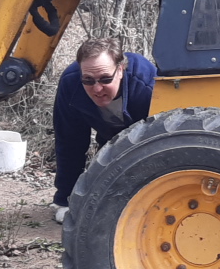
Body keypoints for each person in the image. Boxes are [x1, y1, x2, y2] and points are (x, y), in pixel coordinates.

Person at [51, 37, 154, 223]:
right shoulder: (71, 84)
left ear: (120, 69)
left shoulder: (146, 85)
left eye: (105, 79)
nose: (97, 89)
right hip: (108, 141)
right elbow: (69, 142)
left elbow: (163, 143)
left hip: (145, 141)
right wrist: (65, 199)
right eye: (88, 80)